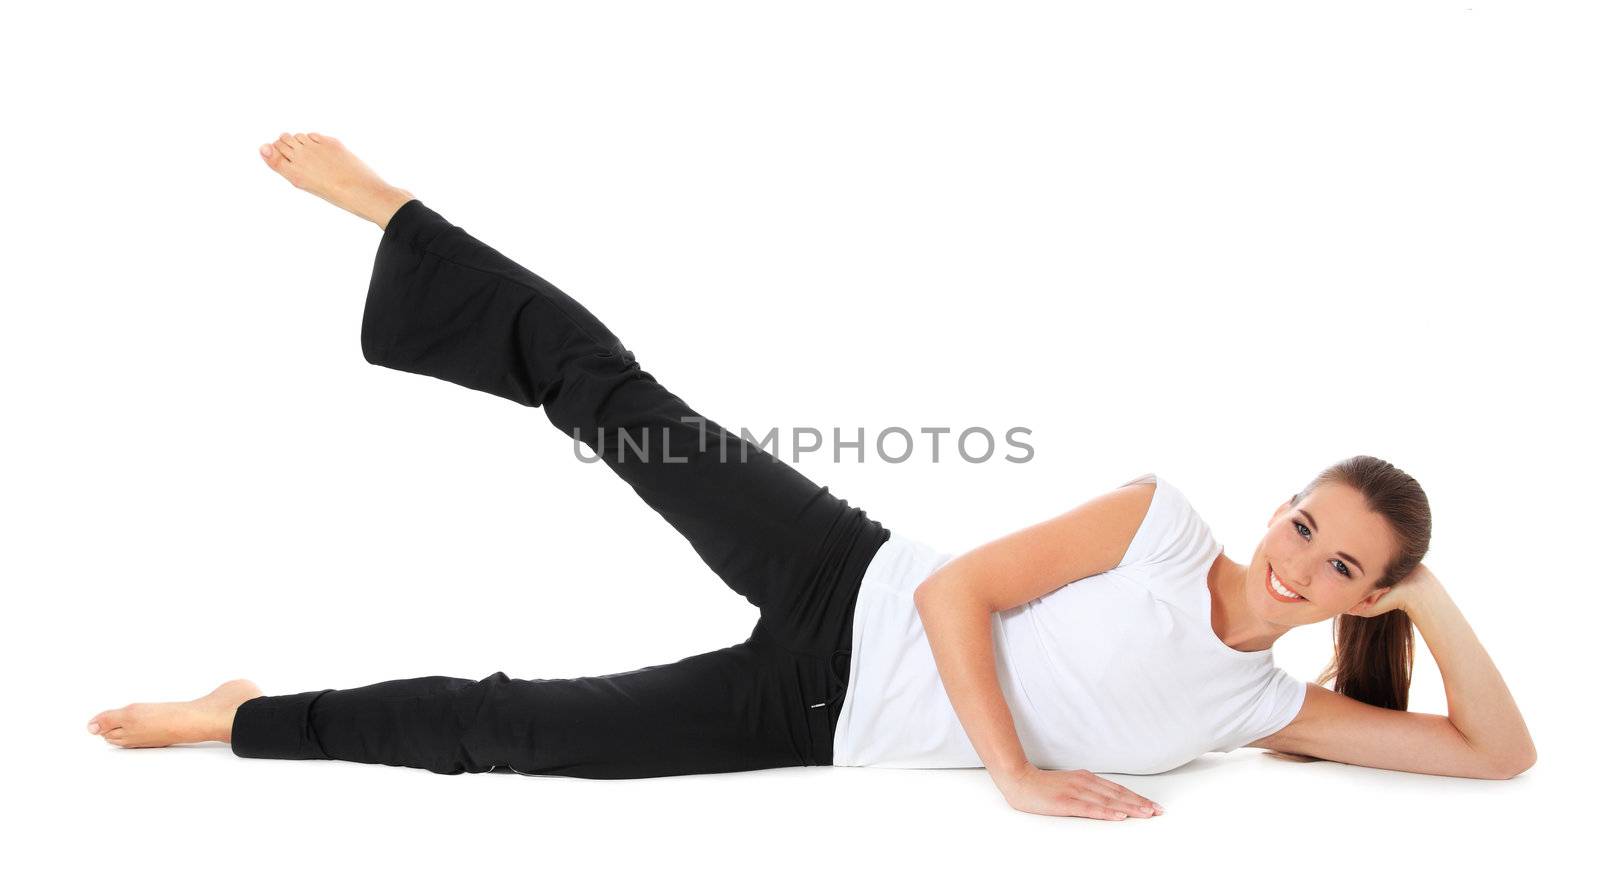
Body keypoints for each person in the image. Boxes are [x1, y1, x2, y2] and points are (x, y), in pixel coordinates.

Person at [85, 133, 1536, 821]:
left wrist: (1435, 592)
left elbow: (1496, 757)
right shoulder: (1164, 526)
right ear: (1278, 497)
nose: (1299, 562)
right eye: (1305, 521)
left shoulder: (1274, 708)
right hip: (849, 573)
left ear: (1372, 585)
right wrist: (1017, 773)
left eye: (1341, 564)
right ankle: (396, 212)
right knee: (618, 406)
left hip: (816, 717)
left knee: (508, 734)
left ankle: (246, 714)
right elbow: (965, 590)